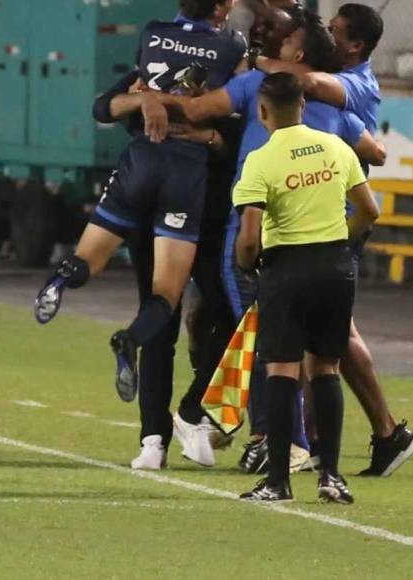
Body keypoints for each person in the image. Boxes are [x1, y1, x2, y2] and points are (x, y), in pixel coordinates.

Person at [139, 6, 384, 472]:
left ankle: (270, 437)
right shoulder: (338, 123)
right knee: (316, 357)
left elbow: (195, 107)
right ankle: (314, 456)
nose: (278, 42)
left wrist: (149, 97)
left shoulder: (265, 120)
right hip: (326, 244)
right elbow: (377, 154)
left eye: (288, 41)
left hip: (275, 245)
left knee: (266, 341)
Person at [34, 0, 245, 468]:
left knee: (202, 318)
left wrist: (153, 99)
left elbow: (107, 104)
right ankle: (173, 425)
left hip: (158, 182)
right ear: (225, 7)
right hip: (195, 203)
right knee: (184, 312)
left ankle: (172, 427)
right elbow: (109, 104)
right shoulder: (234, 54)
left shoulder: (153, 34)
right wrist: (168, 110)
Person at [256, 3, 413, 477]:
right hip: (314, 217)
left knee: (333, 336)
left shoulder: (353, 84)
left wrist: (259, 65)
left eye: (335, 31)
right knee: (323, 338)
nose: (328, 37)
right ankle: (324, 439)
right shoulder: (335, 82)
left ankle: (383, 432)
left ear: (354, 45)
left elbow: (304, 84)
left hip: (332, 220)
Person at [235, 72, 380, 503]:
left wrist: (248, 265)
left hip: (287, 268)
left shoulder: (261, 159)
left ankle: (278, 481)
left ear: (262, 111)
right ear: (302, 105)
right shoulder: (337, 147)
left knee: (281, 370)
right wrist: (340, 240)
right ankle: (330, 476)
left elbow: (248, 235)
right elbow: (369, 210)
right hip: (335, 267)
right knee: (326, 368)